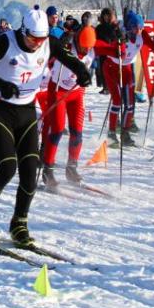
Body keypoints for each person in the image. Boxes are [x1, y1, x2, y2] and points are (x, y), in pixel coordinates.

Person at [0, 6, 91, 246]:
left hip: (26, 111)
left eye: (41, 39)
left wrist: (82, 72)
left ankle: (19, 223)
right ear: (23, 31)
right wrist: (0, 83)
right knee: (7, 168)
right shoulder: (6, 41)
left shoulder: (49, 43)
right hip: (1, 110)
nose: (37, 44)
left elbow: (70, 60)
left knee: (30, 173)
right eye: (32, 38)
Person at [94, 11, 154, 146]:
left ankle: (125, 132)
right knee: (117, 101)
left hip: (126, 69)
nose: (139, 31)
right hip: (111, 68)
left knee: (130, 104)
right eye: (135, 28)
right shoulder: (120, 34)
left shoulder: (142, 35)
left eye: (141, 27)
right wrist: (117, 46)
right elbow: (100, 47)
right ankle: (111, 133)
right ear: (129, 27)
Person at [41, 22, 96, 186]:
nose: (85, 51)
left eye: (88, 48)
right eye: (83, 47)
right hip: (58, 91)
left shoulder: (91, 48)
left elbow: (110, 44)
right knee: (57, 130)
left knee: (77, 132)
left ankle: (72, 167)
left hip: (77, 93)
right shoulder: (65, 47)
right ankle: (47, 169)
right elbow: (50, 46)